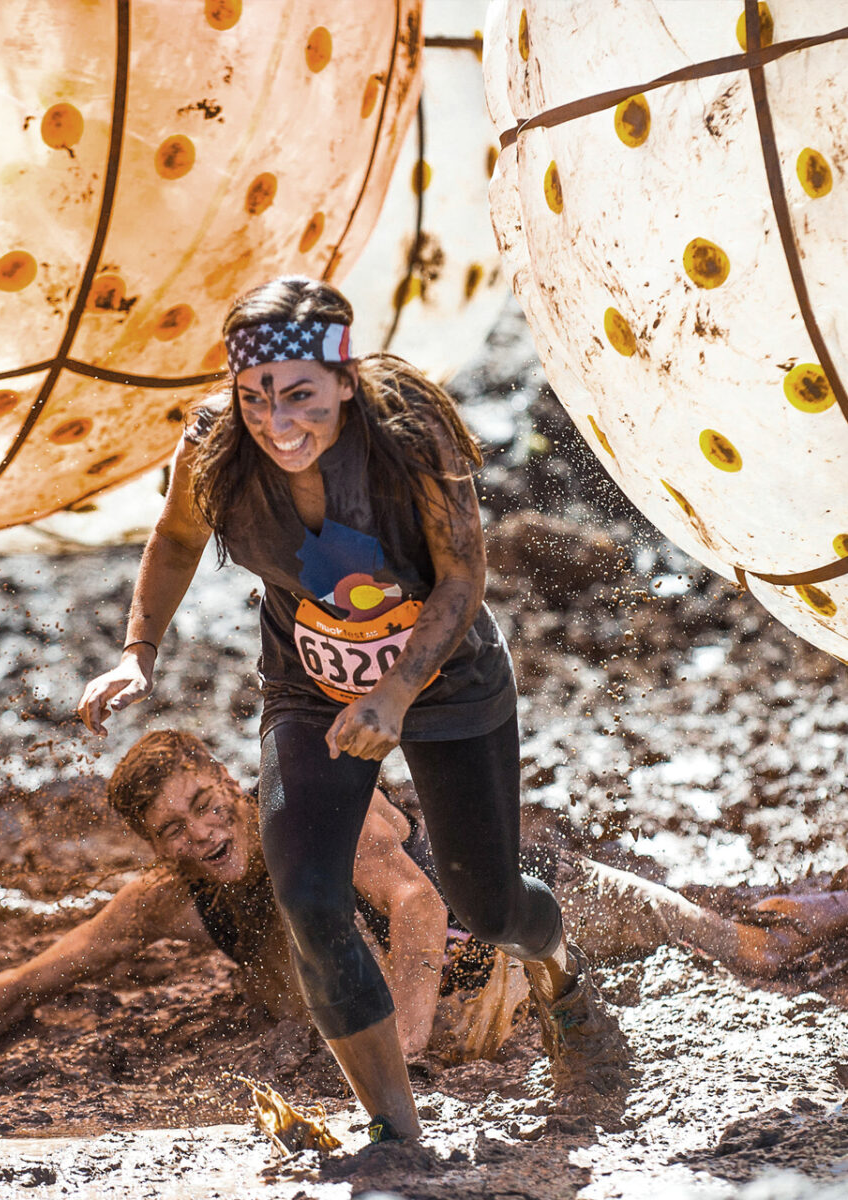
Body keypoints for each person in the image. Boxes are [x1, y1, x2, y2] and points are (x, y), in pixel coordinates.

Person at [77, 275, 622, 1142]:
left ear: (343, 382)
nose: (278, 421)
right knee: (309, 895)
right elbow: (177, 537)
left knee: (488, 907)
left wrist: (396, 692)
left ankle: (560, 972)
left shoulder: (409, 437)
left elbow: (462, 576)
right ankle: (394, 1133)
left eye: (300, 396)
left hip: (443, 679)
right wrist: (137, 654)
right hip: (308, 683)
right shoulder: (216, 449)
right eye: (256, 398)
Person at [0, 731, 848, 1071]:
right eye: (173, 831)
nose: (200, 834)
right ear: (158, 849)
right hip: (463, 969)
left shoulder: (318, 818)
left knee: (751, 950)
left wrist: (404, 1046)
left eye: (205, 805)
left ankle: (831, 900)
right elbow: (35, 978)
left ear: (234, 787)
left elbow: (420, 912)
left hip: (543, 901)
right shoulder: (173, 899)